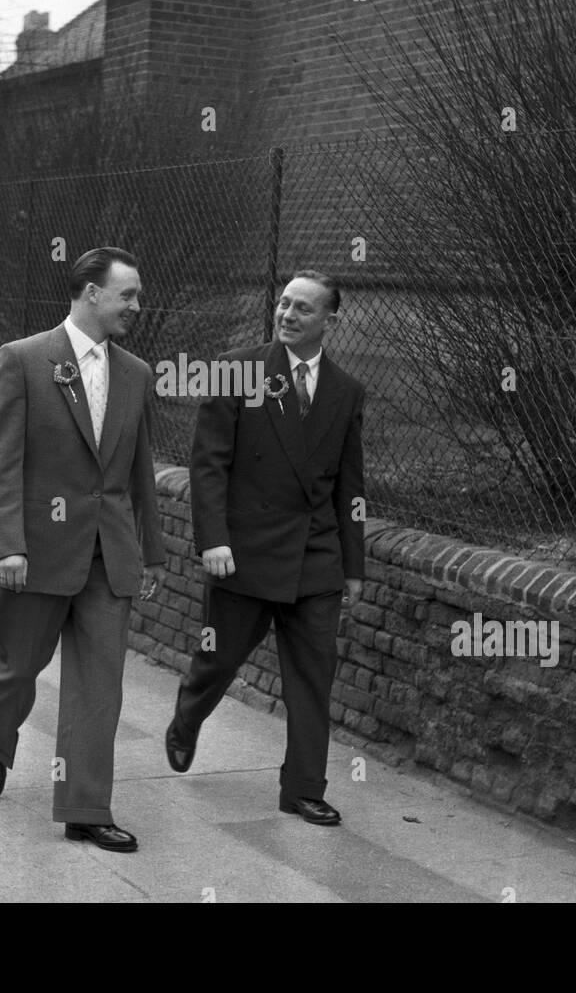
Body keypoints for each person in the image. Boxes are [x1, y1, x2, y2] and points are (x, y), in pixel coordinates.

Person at [0, 246, 165, 853]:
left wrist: (151, 552)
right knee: (18, 665)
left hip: (109, 555)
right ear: (89, 292)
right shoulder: (25, 361)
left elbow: (139, 471)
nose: (137, 305)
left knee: (99, 686)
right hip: (38, 553)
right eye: (127, 294)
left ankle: (85, 808)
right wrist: (8, 544)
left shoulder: (135, 373)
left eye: (137, 295)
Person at [166, 270, 365, 826]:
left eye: (303, 308)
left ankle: (303, 788)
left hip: (315, 557)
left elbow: (351, 486)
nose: (287, 315)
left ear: (330, 320)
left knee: (312, 678)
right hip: (244, 551)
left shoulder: (347, 391)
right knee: (220, 658)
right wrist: (214, 540)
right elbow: (208, 467)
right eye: (283, 303)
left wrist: (353, 565)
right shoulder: (238, 370)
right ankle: (188, 716)